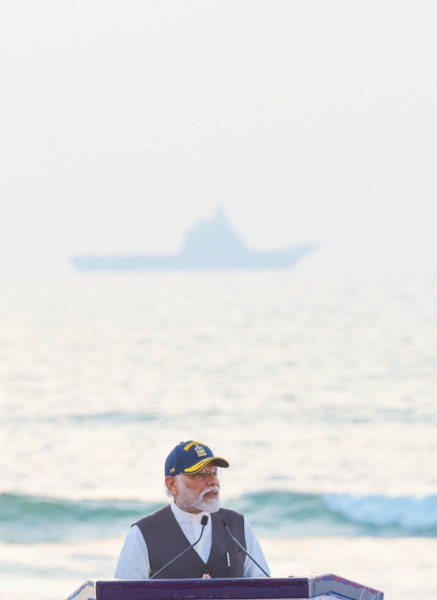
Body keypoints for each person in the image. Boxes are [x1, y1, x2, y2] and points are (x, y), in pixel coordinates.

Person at [114, 440, 270, 579]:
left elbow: (263, 588)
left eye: (214, 473)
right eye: (200, 474)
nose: (213, 481)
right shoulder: (143, 533)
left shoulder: (237, 525)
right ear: (172, 484)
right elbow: (123, 594)